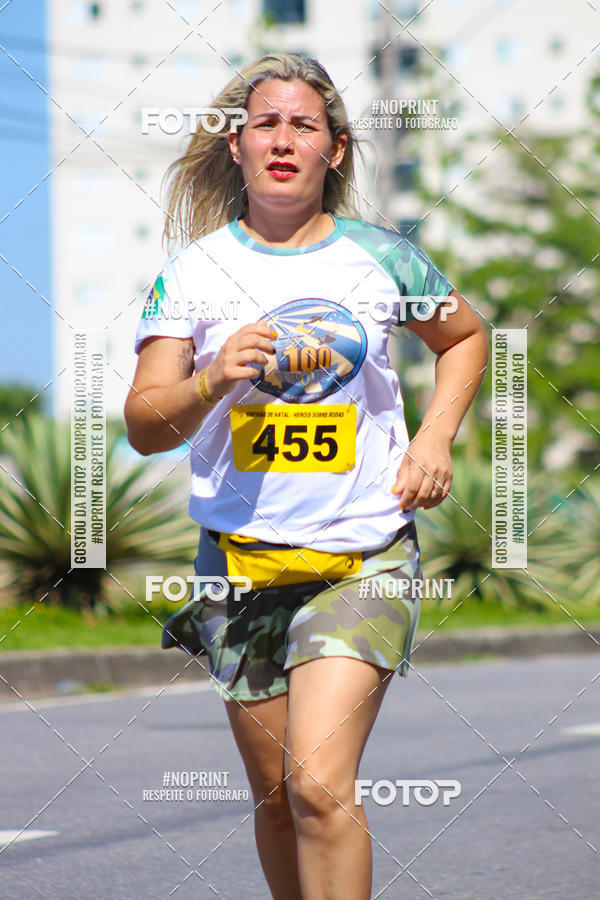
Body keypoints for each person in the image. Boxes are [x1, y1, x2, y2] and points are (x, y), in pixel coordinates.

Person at [124, 53, 488, 900]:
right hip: (240, 569)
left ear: (335, 148)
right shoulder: (191, 275)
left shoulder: (384, 260)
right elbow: (146, 426)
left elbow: (467, 339)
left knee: (321, 787)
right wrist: (214, 378)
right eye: (266, 123)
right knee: (280, 798)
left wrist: (433, 440)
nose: (283, 139)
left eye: (304, 124)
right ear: (236, 146)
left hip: (362, 555)